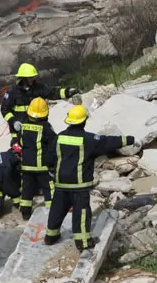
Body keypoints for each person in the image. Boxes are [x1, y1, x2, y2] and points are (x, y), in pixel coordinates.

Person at [45, 105, 137, 251]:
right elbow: (108, 142)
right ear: (84, 120)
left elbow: (49, 158)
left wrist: (52, 172)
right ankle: (83, 242)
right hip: (79, 185)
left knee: (57, 209)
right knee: (81, 212)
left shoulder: (59, 137)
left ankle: (50, 236)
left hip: (61, 183)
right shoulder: (89, 140)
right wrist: (129, 139)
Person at [1, 63, 79, 140]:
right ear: (23, 78)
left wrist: (67, 92)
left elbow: (53, 92)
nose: (33, 79)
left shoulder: (39, 88)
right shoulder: (12, 92)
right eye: (30, 77)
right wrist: (13, 121)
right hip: (19, 132)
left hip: (38, 129)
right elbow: (5, 109)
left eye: (33, 77)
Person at [17, 97, 57, 220]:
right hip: (42, 166)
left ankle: (25, 213)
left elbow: (20, 142)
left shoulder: (23, 126)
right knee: (48, 188)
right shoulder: (45, 128)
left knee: (26, 190)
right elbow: (53, 144)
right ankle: (52, 211)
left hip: (26, 165)